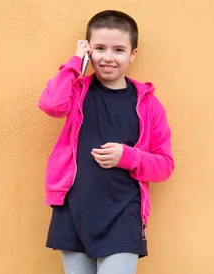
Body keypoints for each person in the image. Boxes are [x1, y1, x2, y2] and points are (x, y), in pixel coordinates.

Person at [38, 10, 174, 274]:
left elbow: (165, 165)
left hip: (123, 215)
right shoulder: (77, 90)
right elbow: (51, 105)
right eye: (99, 48)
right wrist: (76, 61)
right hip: (73, 211)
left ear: (133, 54)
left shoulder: (148, 104)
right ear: (89, 50)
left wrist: (128, 156)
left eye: (119, 50)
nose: (108, 57)